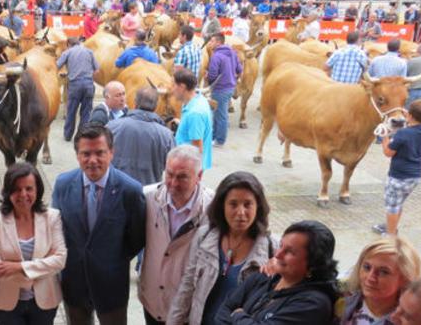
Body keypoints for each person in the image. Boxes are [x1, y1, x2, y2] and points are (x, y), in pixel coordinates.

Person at [51, 124, 146, 324]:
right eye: (86, 153)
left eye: (100, 153)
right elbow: (57, 229)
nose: (92, 160)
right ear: (77, 155)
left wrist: (110, 258)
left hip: (111, 284)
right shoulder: (63, 184)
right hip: (73, 282)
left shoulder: (130, 190)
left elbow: (137, 239)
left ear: (111, 153)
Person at [168, 171, 275, 325]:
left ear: (258, 206)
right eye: (233, 204)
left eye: (248, 204)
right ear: (222, 206)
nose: (241, 212)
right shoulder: (204, 237)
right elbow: (186, 288)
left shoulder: (272, 249)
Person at [0, 163, 67, 324]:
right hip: (6, 303)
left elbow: (60, 260)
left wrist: (17, 267)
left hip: (45, 301)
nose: (23, 194)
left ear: (38, 190)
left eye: (29, 188)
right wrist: (43, 266)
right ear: (8, 192)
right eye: (16, 189)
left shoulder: (52, 218)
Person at [138, 145, 213, 324]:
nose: (173, 183)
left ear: (199, 176)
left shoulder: (213, 208)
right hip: (152, 301)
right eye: (169, 174)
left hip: (188, 309)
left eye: (182, 177)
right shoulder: (147, 197)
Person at [215, 220, 339, 324]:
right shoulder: (264, 277)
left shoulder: (313, 304)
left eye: (290, 252)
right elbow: (223, 312)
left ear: (314, 263)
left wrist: (238, 314)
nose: (278, 254)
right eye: (281, 246)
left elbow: (231, 312)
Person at [375, 100, 421, 236]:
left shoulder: (403, 134)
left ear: (409, 115)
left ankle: (391, 234)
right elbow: (415, 133)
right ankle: (390, 226)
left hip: (398, 177)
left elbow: (388, 152)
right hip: (415, 176)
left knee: (392, 207)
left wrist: (385, 136)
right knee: (398, 203)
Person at [339, 237, 421, 324]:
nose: (370, 278)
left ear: (405, 279)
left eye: (383, 272)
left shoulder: (411, 320)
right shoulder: (341, 294)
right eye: (367, 267)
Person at [108, 87, 174, 185]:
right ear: (156, 106)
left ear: (135, 103)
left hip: (116, 190)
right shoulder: (166, 136)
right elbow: (171, 166)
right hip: (148, 193)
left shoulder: (112, 127)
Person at [57, 37, 99, 141]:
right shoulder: (89, 52)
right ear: (79, 43)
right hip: (88, 84)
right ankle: (82, 136)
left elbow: (57, 66)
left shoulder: (67, 52)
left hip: (75, 85)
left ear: (68, 44)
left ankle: (68, 135)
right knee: (86, 112)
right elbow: (97, 69)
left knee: (71, 111)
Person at [173, 68, 213, 170]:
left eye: (174, 85)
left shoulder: (195, 114)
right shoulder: (198, 99)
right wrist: (182, 124)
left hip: (187, 166)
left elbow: (197, 149)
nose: (172, 90)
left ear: (182, 87)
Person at [206, 33, 242, 148]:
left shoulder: (216, 56)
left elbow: (212, 74)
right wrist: (233, 77)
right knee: (219, 114)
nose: (210, 43)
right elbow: (239, 68)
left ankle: (220, 140)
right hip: (230, 87)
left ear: (218, 42)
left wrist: (209, 79)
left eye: (211, 41)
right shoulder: (232, 52)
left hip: (220, 89)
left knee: (221, 115)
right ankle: (214, 137)